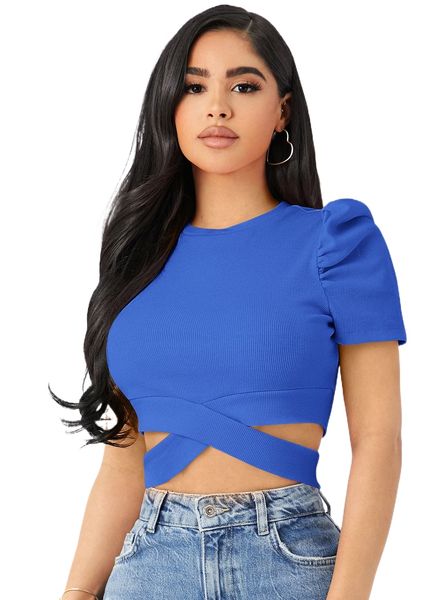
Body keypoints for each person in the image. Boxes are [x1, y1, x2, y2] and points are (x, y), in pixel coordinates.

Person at [50, 5, 407, 600]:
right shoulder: (137, 259)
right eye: (195, 87)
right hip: (149, 565)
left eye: (243, 86)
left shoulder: (338, 242)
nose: (217, 106)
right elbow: (125, 458)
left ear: (282, 111)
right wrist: (78, 592)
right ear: (170, 107)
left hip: (288, 562)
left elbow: (379, 442)